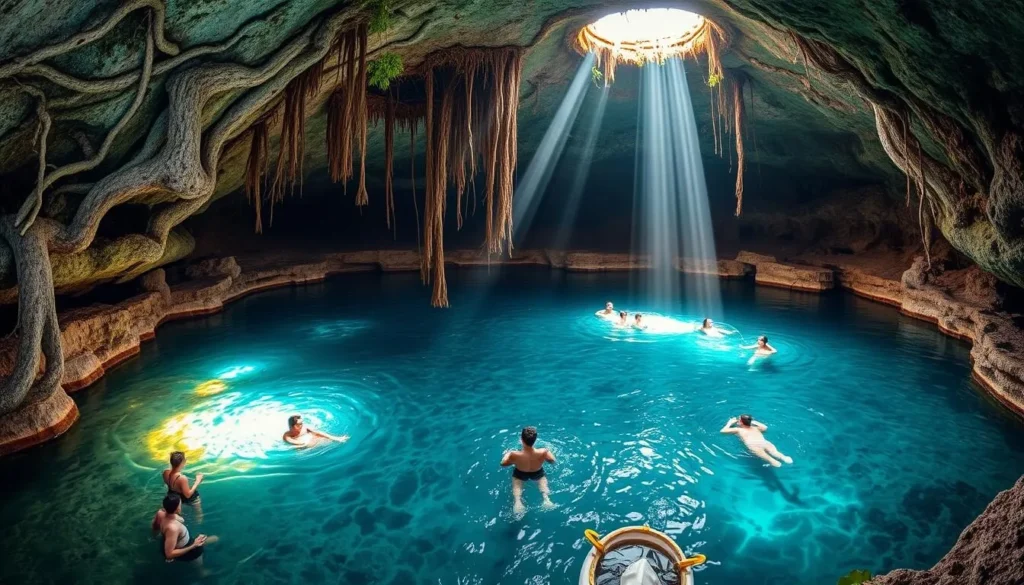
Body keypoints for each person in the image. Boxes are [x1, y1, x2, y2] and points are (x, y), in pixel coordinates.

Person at [500, 426, 556, 514]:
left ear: (521, 439)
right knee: (542, 482)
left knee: (517, 486)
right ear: (535, 439)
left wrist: (507, 454)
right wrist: (547, 455)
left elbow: (503, 464)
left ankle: (518, 502)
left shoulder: (514, 454)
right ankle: (546, 499)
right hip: (537, 472)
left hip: (520, 473)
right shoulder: (543, 451)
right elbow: (553, 461)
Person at [152, 493, 216, 562]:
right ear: (177, 508)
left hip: (168, 543)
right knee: (215, 538)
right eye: (180, 505)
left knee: (212, 539)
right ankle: (202, 571)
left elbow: (155, 527)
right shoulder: (173, 528)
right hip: (187, 549)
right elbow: (169, 554)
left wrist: (154, 538)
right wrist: (194, 545)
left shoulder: (160, 513)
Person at [720, 414, 793, 468]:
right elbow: (765, 427)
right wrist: (752, 421)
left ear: (741, 423)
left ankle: (778, 465)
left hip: (754, 446)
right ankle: (785, 459)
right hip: (764, 443)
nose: (737, 421)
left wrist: (729, 423)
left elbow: (722, 431)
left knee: (770, 460)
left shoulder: (738, 430)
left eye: (739, 420)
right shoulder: (756, 428)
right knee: (777, 453)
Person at [283, 414, 349, 447]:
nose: (302, 425)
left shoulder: (304, 428)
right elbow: (301, 444)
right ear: (292, 426)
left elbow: (318, 432)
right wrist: (310, 438)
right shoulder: (287, 436)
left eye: (302, 423)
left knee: (325, 439)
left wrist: (336, 438)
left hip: (307, 441)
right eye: (299, 424)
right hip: (302, 447)